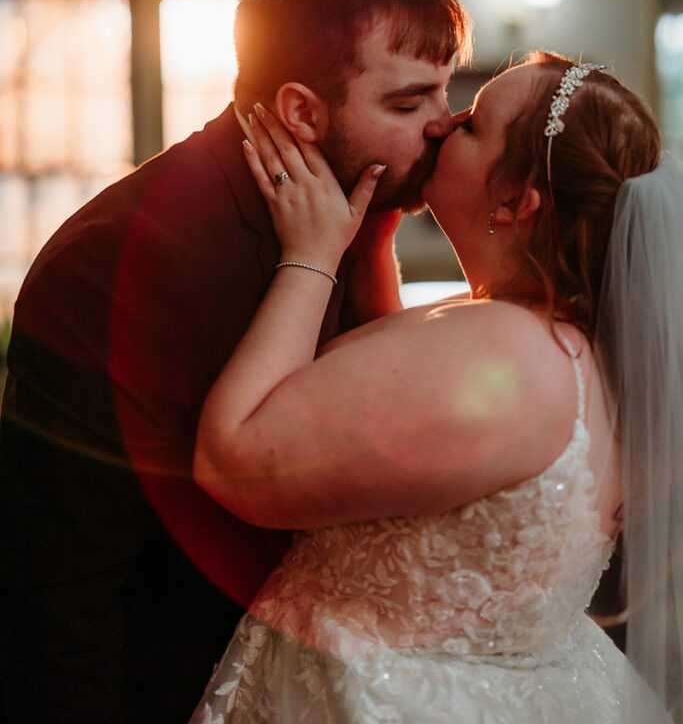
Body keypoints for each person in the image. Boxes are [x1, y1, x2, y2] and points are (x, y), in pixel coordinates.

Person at [0, 0, 471, 724]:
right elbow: (58, 584)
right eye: (407, 100)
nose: (444, 123)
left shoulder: (353, 219)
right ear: (301, 112)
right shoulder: (123, 259)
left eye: (446, 91)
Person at [189, 51, 682, 723]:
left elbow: (232, 459)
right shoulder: (566, 345)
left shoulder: (507, 352)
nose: (442, 124)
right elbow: (411, 423)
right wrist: (367, 253)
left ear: (515, 201)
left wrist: (310, 254)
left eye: (473, 124)